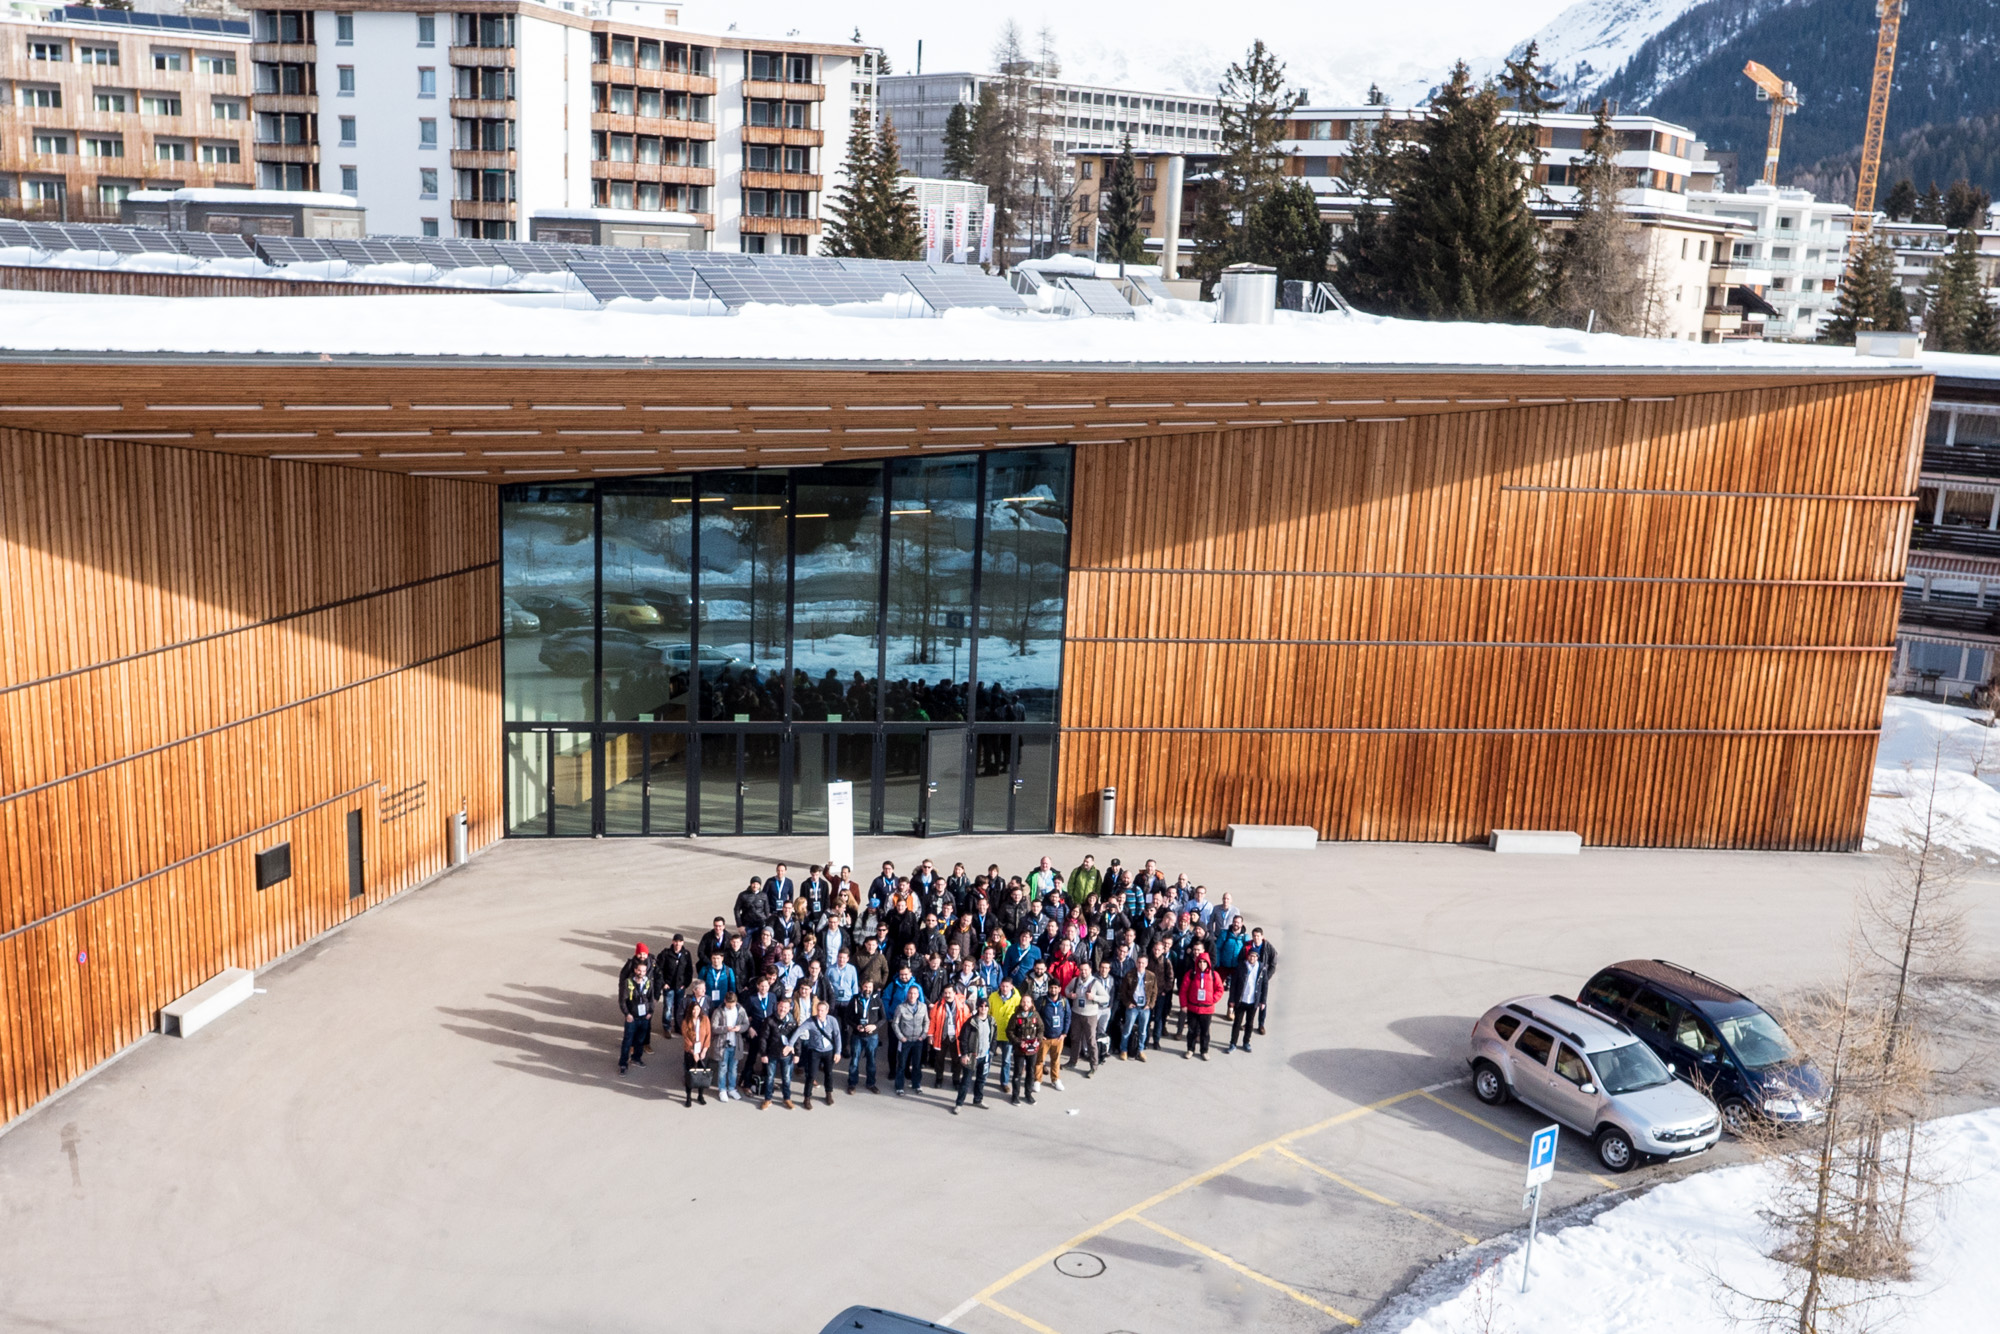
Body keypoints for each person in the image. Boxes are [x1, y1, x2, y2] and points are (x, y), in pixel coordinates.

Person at [796, 999, 842, 1108]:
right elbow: (798, 1031)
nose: (820, 1013)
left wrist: (838, 1052)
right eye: (818, 1010)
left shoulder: (832, 1020)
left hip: (828, 1051)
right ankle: (807, 1097)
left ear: (827, 1011)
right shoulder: (811, 1021)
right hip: (815, 1051)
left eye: (822, 1010)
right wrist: (790, 1045)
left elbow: (837, 1036)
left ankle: (828, 1093)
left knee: (829, 1073)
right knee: (811, 1075)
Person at [1068, 963, 1111, 1078]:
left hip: (1090, 1015)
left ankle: (1093, 1066)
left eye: (1086, 970)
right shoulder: (1075, 981)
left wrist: (1094, 998)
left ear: (1090, 970)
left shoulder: (1095, 983)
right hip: (1076, 1013)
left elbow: (1106, 997)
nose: (1083, 972)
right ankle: (1073, 1061)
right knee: (1075, 1038)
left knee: (1091, 1041)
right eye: (1081, 970)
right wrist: (1070, 995)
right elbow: (1066, 989)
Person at [1180, 951, 1224, 1060]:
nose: (1202, 964)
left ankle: (1204, 1050)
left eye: (1204, 962)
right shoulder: (1191, 974)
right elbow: (1183, 990)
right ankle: (1190, 1049)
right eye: (1200, 962)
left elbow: (1220, 989)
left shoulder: (1214, 975)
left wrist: (1212, 999)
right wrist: (1184, 1005)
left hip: (1207, 1009)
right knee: (1192, 1031)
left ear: (1208, 963)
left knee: (1205, 1032)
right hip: (1193, 1007)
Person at [1227, 939, 1268, 1053]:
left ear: (1257, 957)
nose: (1252, 958)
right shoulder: (1241, 966)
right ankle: (1233, 1043)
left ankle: (1246, 1042)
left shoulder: (1261, 968)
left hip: (1253, 1001)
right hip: (1241, 1000)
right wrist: (1232, 1000)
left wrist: (1263, 1001)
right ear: (1247, 956)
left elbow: (1264, 985)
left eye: (1254, 956)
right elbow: (1234, 984)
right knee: (1237, 1023)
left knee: (1249, 1024)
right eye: (1250, 956)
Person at [928, 984, 972, 1090]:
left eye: (949, 992)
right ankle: (939, 1078)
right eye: (945, 993)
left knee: (957, 1060)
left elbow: (967, 1022)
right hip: (941, 1036)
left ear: (954, 993)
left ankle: (956, 1079)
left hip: (957, 1038)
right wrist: (930, 1035)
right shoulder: (938, 1005)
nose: (947, 995)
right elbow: (933, 1021)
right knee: (939, 1059)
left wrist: (966, 1038)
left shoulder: (962, 1006)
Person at [845, 978, 884, 1094]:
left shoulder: (877, 1001)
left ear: (873, 988)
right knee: (854, 1061)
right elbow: (847, 1018)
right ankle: (852, 1083)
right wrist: (855, 1025)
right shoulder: (855, 1000)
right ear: (862, 987)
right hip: (857, 1035)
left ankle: (871, 1083)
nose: (868, 989)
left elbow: (883, 1018)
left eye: (870, 987)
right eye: (866, 987)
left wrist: (875, 1026)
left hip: (872, 1036)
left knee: (871, 1061)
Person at [759, 997, 799, 1109]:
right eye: (781, 1006)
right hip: (772, 1053)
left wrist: (797, 1054)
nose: (783, 1009)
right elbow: (763, 1038)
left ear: (789, 1008)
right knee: (770, 1078)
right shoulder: (769, 1020)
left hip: (787, 1055)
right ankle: (768, 1099)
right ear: (777, 1006)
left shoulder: (792, 1021)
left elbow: (796, 1039)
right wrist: (763, 1054)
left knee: (786, 1078)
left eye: (786, 1007)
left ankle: (787, 1098)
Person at [953, 1002, 994, 1114]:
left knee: (981, 1080)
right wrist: (964, 1054)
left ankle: (978, 1100)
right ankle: (959, 1103)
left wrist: (991, 1052)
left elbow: (994, 1038)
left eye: (986, 1006)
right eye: (981, 1006)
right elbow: (963, 1039)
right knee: (966, 1081)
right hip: (972, 1056)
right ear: (977, 1008)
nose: (983, 1008)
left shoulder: (991, 1021)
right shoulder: (971, 1022)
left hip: (985, 1056)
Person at [891, 984, 929, 1096]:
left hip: (918, 1040)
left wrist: (924, 1035)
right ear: (907, 994)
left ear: (918, 995)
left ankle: (916, 1084)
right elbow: (895, 1024)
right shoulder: (901, 1007)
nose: (912, 995)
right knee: (902, 1064)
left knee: (917, 1064)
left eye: (915, 993)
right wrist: (900, 1037)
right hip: (905, 1041)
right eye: (910, 993)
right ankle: (899, 1086)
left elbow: (926, 1021)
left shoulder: (923, 1007)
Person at [617, 956, 652, 1075]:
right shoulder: (628, 983)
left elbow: (651, 999)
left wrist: (650, 1012)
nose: (641, 973)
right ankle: (623, 1063)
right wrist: (627, 1014)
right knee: (627, 1041)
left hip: (644, 1017)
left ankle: (636, 1058)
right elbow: (622, 1001)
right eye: (639, 970)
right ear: (635, 970)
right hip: (632, 1017)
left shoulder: (648, 982)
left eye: (644, 971)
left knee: (640, 1041)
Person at [987, 978, 1023, 1092]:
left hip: (1008, 1035)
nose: (1004, 989)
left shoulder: (1017, 999)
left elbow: (1019, 1016)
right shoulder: (993, 996)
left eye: (1007, 986)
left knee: (1006, 1061)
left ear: (1012, 986)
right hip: (994, 1033)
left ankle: (1004, 1082)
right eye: (1002, 986)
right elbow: (988, 1013)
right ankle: (981, 1080)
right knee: (988, 1058)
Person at [712, 989, 749, 1102]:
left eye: (732, 1006)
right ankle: (722, 1089)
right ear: (724, 1001)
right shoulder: (718, 1011)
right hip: (723, 1044)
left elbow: (746, 1024)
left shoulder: (741, 1010)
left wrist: (740, 1028)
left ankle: (731, 1088)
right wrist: (725, 1029)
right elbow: (713, 1027)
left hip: (735, 1044)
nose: (730, 1008)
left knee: (733, 1068)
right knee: (723, 1067)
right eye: (728, 1006)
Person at [681, 982, 713, 1106]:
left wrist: (704, 1050)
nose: (695, 1011)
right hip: (690, 1052)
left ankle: (700, 1095)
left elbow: (708, 1035)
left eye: (697, 1009)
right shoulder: (686, 1021)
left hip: (703, 1051)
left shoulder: (705, 1019)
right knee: (690, 1074)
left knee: (702, 1074)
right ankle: (688, 1097)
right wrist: (693, 1052)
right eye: (693, 1009)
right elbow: (686, 1038)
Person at [1008, 995, 1044, 1105]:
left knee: (1031, 1072)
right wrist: (1018, 1042)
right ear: (1020, 1003)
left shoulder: (1036, 1015)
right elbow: (1009, 1031)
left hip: (1032, 1050)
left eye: (1028, 1002)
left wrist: (1038, 1039)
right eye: (1023, 1002)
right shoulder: (1016, 1016)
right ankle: (1015, 1096)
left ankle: (1028, 1094)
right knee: (1018, 1073)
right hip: (1020, 1049)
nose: (1025, 1004)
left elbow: (1041, 1028)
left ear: (1032, 1003)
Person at [1037, 981, 1070, 1093]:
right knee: (1040, 1060)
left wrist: (1064, 1033)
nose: (1053, 990)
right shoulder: (1042, 1000)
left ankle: (1055, 1079)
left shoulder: (1064, 1001)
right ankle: (1037, 1080)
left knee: (1055, 1060)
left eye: (1056, 988)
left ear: (1060, 989)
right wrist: (1039, 1034)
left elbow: (1067, 1017)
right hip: (1045, 1037)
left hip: (1058, 1037)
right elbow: (1036, 1017)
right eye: (1051, 988)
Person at [657, 934, 694, 1030]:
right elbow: (659, 969)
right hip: (668, 986)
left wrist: (685, 984)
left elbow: (689, 970)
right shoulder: (666, 954)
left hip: (680, 986)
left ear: (683, 942)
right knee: (668, 1008)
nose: (677, 944)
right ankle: (667, 1027)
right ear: (673, 942)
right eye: (676, 941)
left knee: (679, 1008)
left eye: (680, 942)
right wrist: (663, 983)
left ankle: (678, 1026)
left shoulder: (686, 954)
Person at [1250, 927, 1277, 1034]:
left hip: (1262, 979)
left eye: (1258, 936)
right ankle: (1249, 1023)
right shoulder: (1249, 946)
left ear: (1262, 936)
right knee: (1250, 1001)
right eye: (1254, 936)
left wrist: (1266, 977)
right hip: (1251, 978)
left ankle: (1261, 1025)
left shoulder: (1268, 947)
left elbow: (1273, 964)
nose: (1256, 938)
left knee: (1262, 1002)